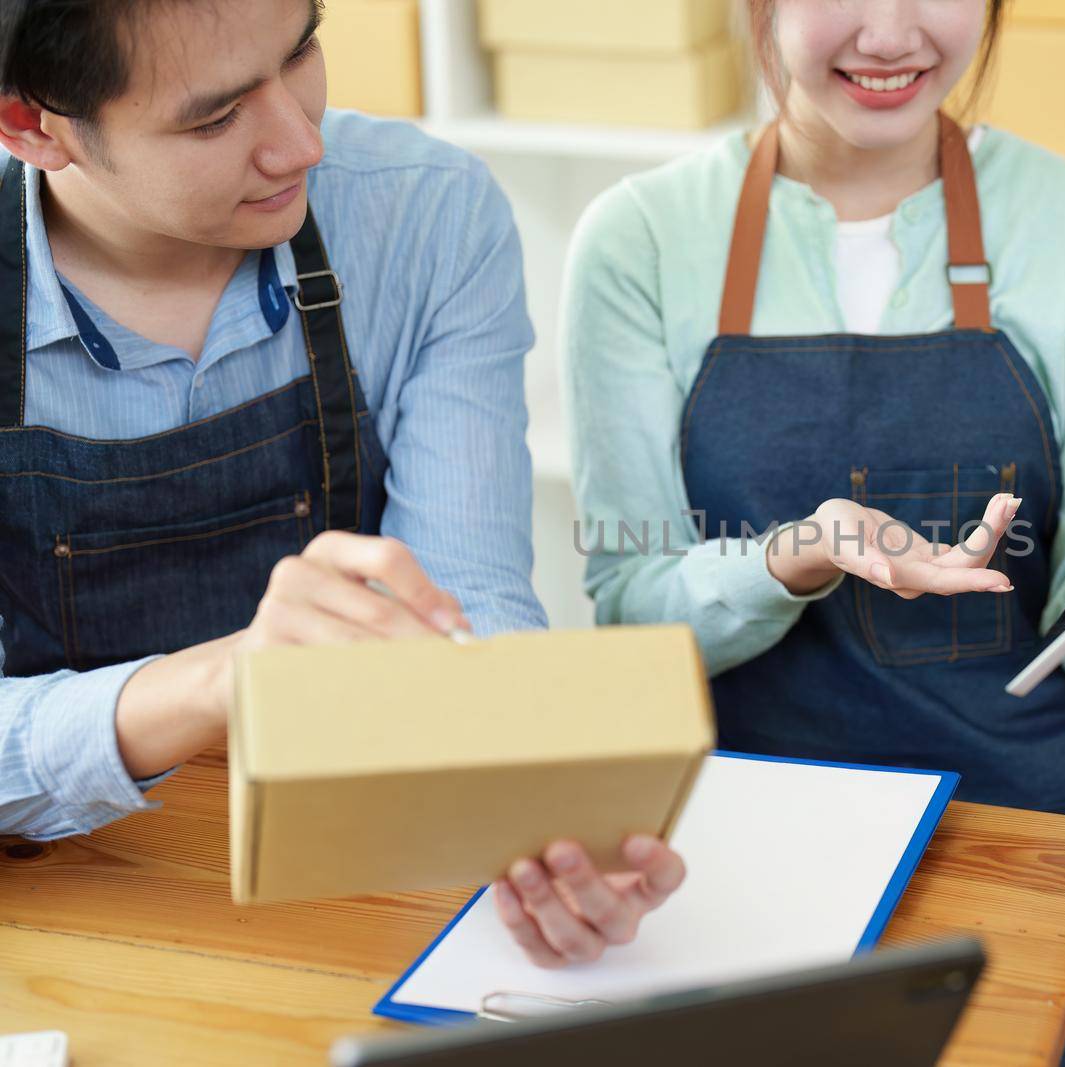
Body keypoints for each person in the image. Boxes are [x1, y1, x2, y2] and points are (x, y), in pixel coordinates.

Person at [562, 1, 1065, 1062]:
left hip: (1039, 817)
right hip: (753, 821)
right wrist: (797, 554)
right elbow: (634, 616)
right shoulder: (641, 240)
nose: (891, 34)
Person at [0, 0, 681, 967]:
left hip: (367, 887)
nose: (301, 143)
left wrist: (537, 833)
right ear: (33, 126)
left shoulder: (428, 213)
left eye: (302, 51)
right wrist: (220, 680)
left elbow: (468, 598)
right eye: (214, 118)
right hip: (60, 904)